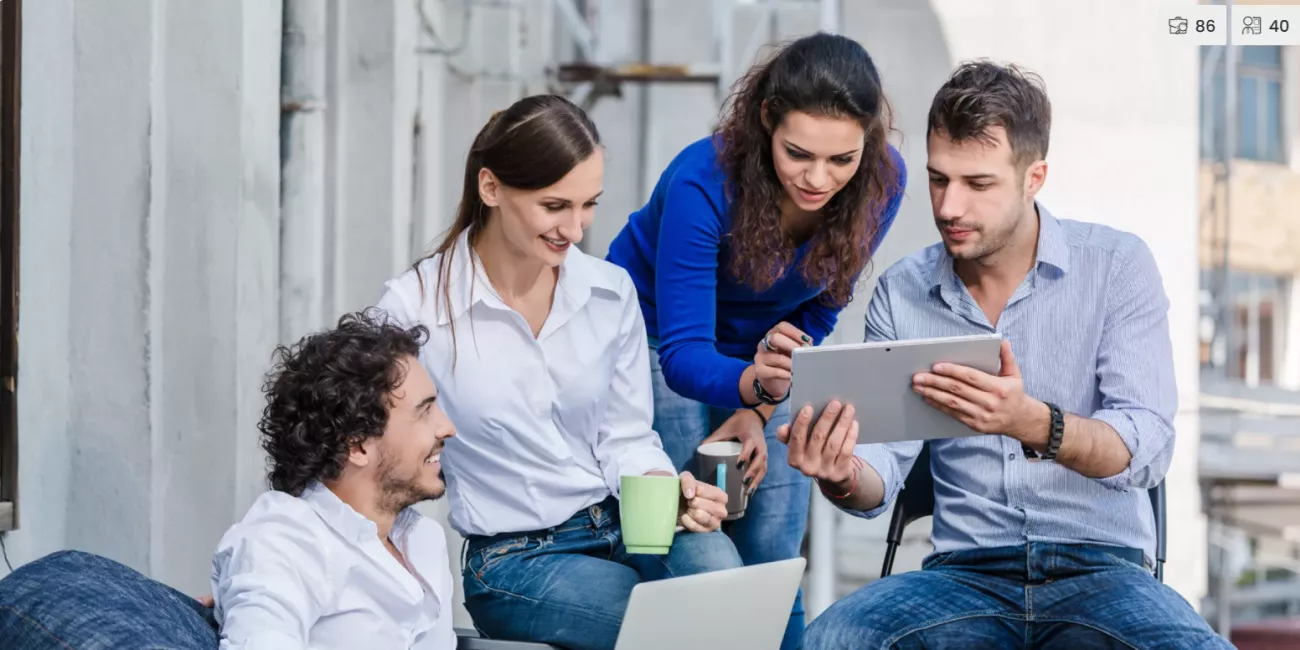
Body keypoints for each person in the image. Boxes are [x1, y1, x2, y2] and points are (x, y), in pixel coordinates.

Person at [779, 61, 1232, 649]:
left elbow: (1146, 448)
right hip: (963, 577)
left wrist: (1031, 423)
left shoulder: (1117, 266)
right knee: (831, 641)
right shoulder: (903, 289)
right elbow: (881, 477)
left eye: (978, 184)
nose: (948, 207)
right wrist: (841, 474)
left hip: (1104, 574)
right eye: (939, 179)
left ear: (1033, 177)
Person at [374, 94, 741, 650]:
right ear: (491, 188)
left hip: (620, 518)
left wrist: (668, 492)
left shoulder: (608, 291)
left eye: (589, 203)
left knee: (727, 589)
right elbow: (356, 441)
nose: (575, 227)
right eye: (554, 206)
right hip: (512, 558)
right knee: (669, 627)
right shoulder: (414, 308)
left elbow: (626, 436)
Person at [604, 31, 906, 649]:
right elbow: (685, 354)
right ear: (766, 119)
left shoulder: (882, 181)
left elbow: (821, 308)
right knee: (701, 538)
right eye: (798, 153)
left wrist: (758, 407)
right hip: (656, 339)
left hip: (758, 363)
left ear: (867, 143)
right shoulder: (701, 180)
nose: (819, 179)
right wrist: (752, 383)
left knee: (772, 551)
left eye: (841, 159)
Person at [0, 310, 460, 649]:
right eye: (424, 412)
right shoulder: (288, 540)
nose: (447, 427)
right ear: (357, 444)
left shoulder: (424, 541)